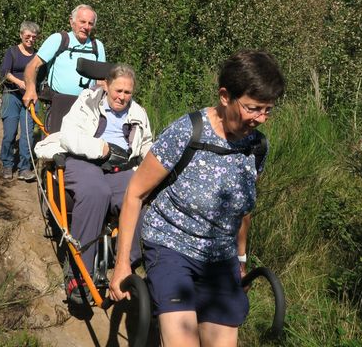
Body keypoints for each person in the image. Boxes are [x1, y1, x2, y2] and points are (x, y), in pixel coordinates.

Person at [109, 50, 285, 347]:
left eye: (267, 110)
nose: (261, 119)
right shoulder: (187, 132)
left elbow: (242, 209)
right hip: (171, 246)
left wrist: (241, 258)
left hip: (220, 259)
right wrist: (122, 263)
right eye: (253, 108)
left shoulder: (257, 147)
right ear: (225, 96)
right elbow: (135, 193)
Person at [34, 64, 152, 304]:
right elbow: (69, 136)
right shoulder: (87, 102)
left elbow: (148, 145)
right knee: (96, 192)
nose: (122, 97)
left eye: (127, 92)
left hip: (121, 166)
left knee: (139, 196)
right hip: (84, 158)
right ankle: (79, 269)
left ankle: (127, 266)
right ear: (106, 86)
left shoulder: (138, 113)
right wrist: (102, 149)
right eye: (118, 90)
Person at [22, 4, 106, 133]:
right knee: (53, 147)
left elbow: (102, 80)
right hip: (58, 104)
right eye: (82, 22)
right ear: (71, 21)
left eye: (90, 23)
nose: (86, 27)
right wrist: (30, 90)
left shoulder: (97, 46)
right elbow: (32, 66)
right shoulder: (59, 39)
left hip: (87, 108)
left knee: (80, 150)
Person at [0, 21, 41, 181]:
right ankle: (7, 164)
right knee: (10, 133)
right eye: (27, 36)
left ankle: (25, 167)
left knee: (28, 135)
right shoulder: (12, 52)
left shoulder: (38, 56)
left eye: (34, 37)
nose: (30, 39)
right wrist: (20, 82)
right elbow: (5, 72)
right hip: (12, 94)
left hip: (30, 98)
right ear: (21, 35)